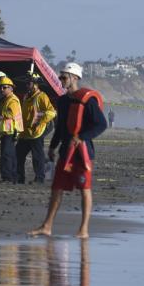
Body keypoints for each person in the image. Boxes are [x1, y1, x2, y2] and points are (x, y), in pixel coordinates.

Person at [29, 62, 108, 239]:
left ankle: (84, 229)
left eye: (64, 77)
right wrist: (52, 146)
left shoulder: (88, 100)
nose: (61, 80)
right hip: (66, 151)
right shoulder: (63, 101)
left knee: (84, 189)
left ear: (75, 78)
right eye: (60, 77)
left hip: (83, 153)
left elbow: (101, 124)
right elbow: (61, 127)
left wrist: (82, 137)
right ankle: (47, 226)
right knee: (56, 188)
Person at [16, 74, 57, 184]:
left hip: (36, 133)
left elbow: (51, 112)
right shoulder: (26, 97)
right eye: (26, 83)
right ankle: (19, 178)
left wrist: (40, 121)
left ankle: (39, 178)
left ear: (35, 84)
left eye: (29, 83)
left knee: (37, 157)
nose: (26, 85)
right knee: (18, 155)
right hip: (25, 133)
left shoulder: (41, 96)